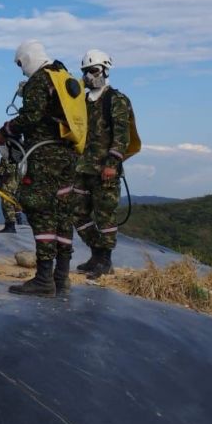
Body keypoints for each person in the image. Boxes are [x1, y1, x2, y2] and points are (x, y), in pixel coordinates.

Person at [0, 40, 80, 296]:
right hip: (68, 155)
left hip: (45, 156)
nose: (22, 70)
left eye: (21, 64)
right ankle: (61, 277)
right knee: (63, 213)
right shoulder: (63, 77)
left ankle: (44, 280)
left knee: (39, 207)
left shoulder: (40, 80)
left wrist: (5, 131)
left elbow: (31, 117)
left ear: (28, 58)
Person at [66, 49, 139, 279]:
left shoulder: (116, 100)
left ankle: (105, 260)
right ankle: (96, 253)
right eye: (85, 72)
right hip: (82, 168)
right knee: (77, 212)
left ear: (106, 71)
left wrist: (112, 163)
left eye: (94, 71)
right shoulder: (82, 102)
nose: (89, 76)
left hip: (105, 170)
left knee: (104, 215)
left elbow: (122, 135)